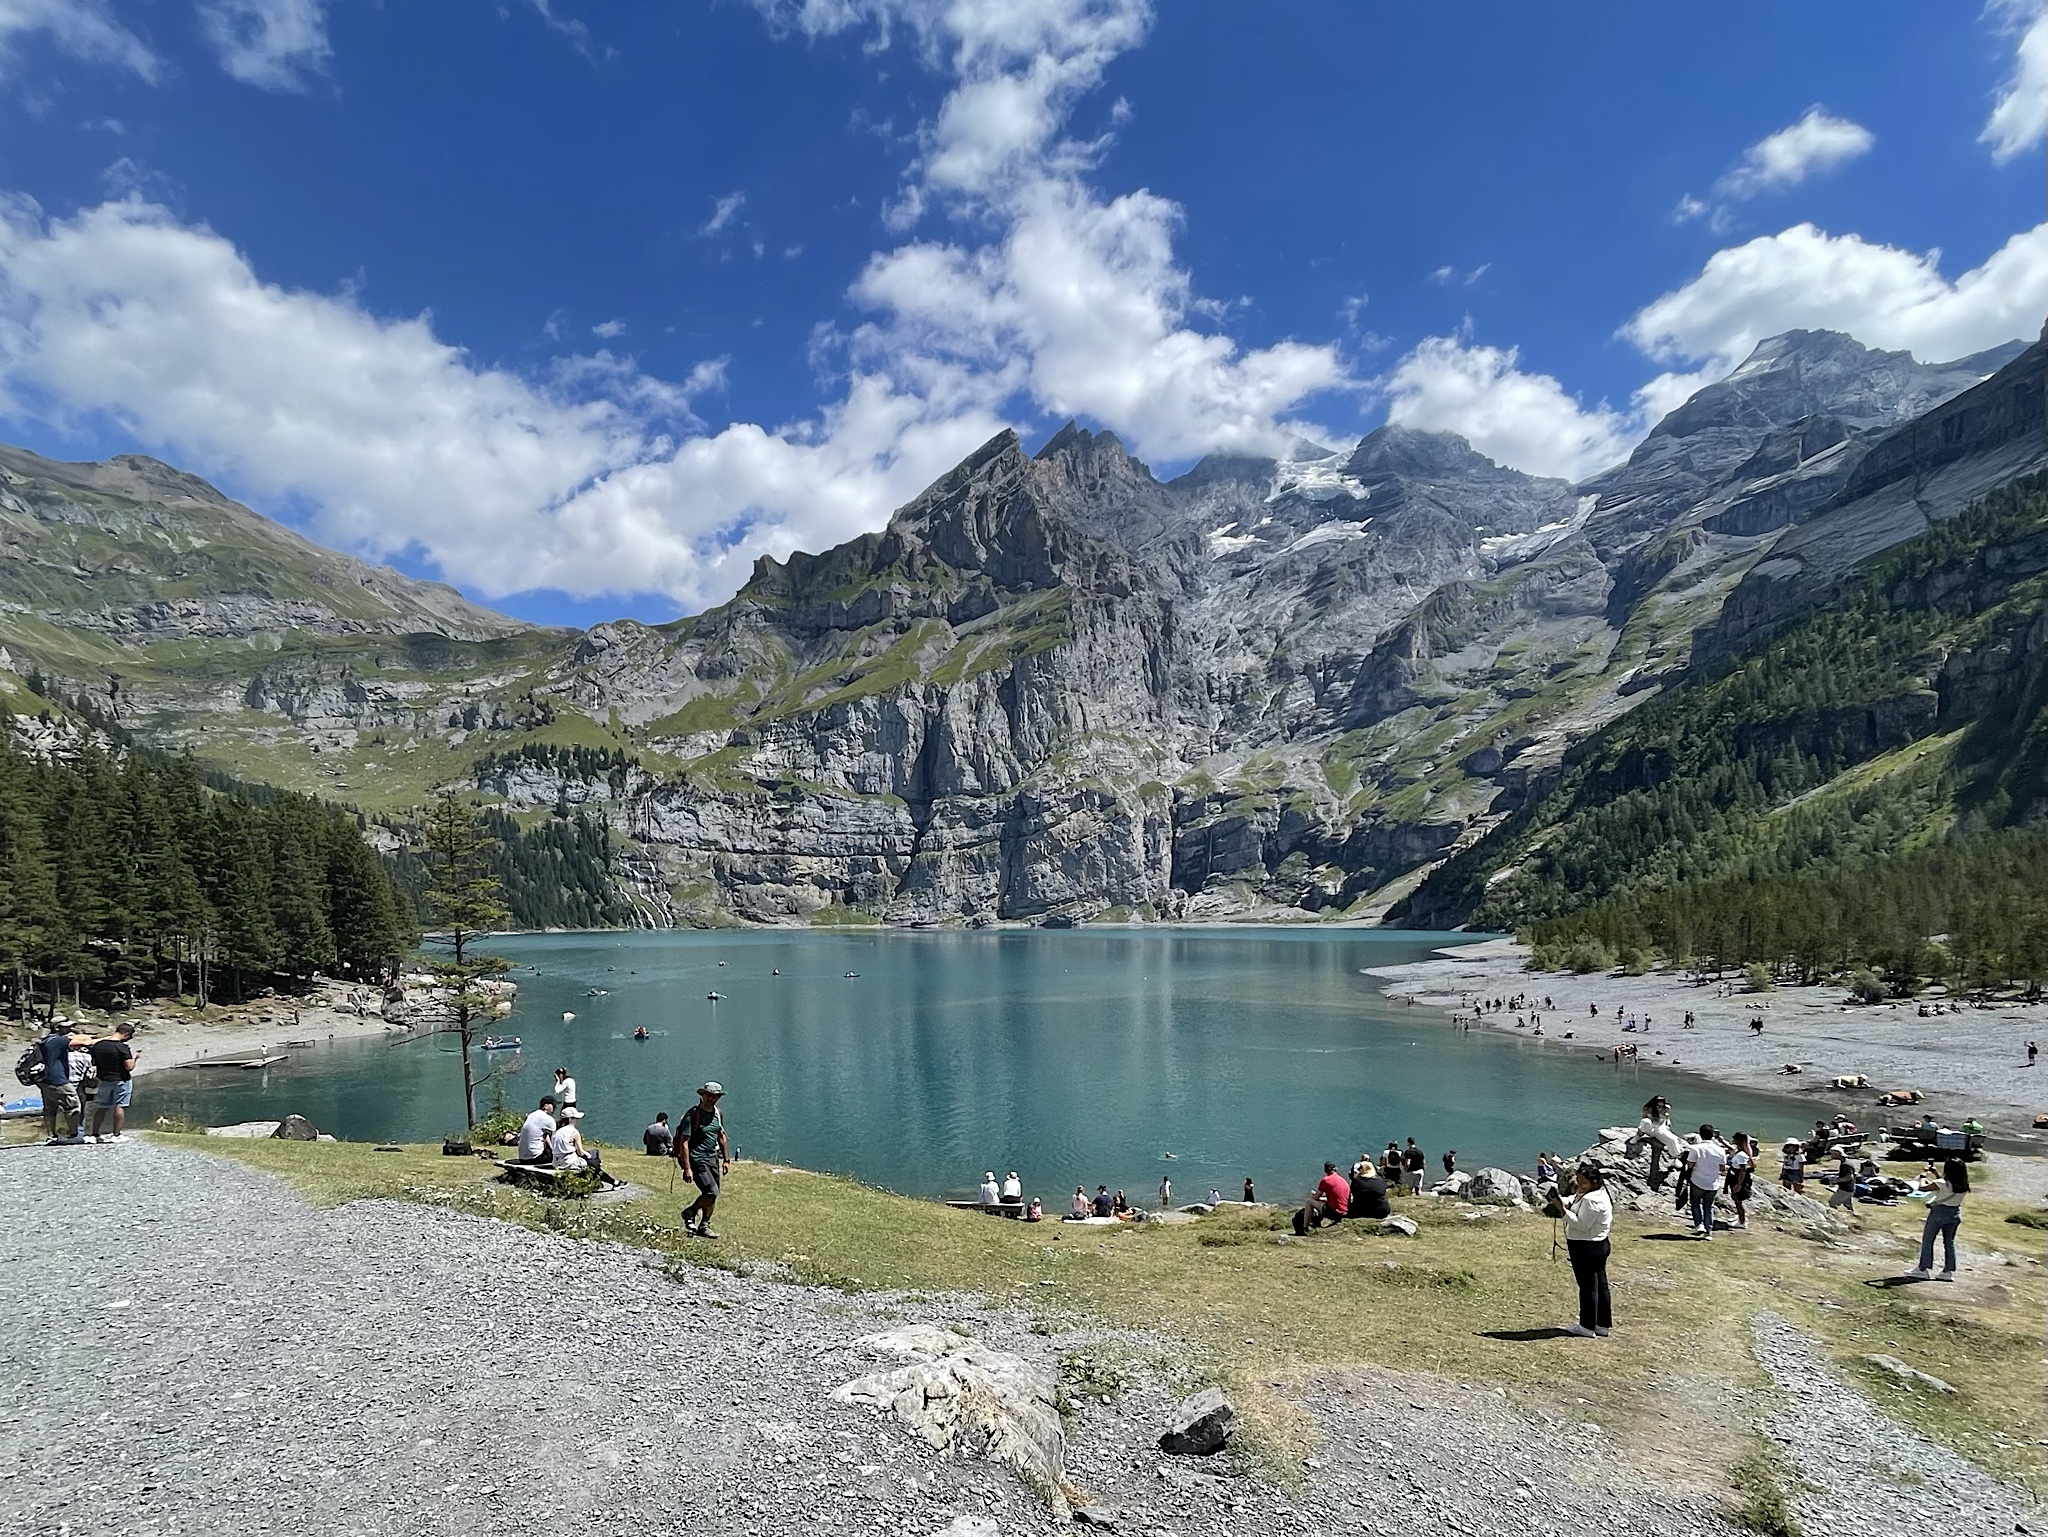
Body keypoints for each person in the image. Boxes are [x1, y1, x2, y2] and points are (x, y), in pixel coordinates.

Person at [1558, 1162, 1615, 1338]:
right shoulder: (1596, 1193)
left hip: (1586, 1246)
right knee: (1601, 1286)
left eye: (1582, 1181)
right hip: (1599, 1244)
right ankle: (1602, 1324)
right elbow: (1575, 1201)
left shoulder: (1592, 1200)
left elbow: (1581, 1225)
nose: (1579, 1184)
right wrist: (1562, 1201)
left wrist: (1561, 1211)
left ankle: (1586, 1326)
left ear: (1593, 1181)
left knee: (1588, 1287)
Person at [677, 1082, 731, 1238]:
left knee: (714, 1194)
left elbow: (721, 1136)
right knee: (711, 1191)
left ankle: (704, 1226)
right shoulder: (692, 1115)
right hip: (697, 1159)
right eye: (709, 1095)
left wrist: (726, 1159)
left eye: (715, 1096)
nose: (711, 1098)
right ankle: (690, 1212)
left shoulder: (717, 1113)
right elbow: (684, 1143)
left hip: (712, 1158)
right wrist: (687, 1168)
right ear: (703, 1095)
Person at [1905, 1159, 1969, 1280]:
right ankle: (1948, 1271)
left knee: (1928, 1241)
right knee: (1949, 1243)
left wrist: (1923, 1175)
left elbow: (1922, 1188)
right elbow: (1946, 1187)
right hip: (1955, 1213)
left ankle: (1923, 1269)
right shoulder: (1962, 1184)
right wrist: (1935, 1175)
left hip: (1939, 1212)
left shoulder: (1941, 1183)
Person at [86, 1025, 139, 1143]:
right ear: (126, 1034)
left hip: (104, 1079)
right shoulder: (122, 1047)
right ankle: (116, 1134)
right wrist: (134, 1057)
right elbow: (129, 1067)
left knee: (102, 1106)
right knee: (119, 1105)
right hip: (121, 1079)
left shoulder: (99, 1045)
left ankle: (94, 1134)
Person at [38, 1023, 88, 1144]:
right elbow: (84, 1043)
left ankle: (52, 1135)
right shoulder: (59, 1040)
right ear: (57, 1027)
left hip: (45, 1079)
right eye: (66, 1027)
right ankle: (73, 1134)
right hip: (58, 1079)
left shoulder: (46, 1040)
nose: (70, 1028)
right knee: (73, 1104)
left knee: (50, 1108)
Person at [1684, 1125, 1728, 1239]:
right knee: (1708, 1207)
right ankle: (1709, 1231)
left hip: (1697, 1179)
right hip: (1713, 1182)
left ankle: (1699, 1225)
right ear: (1713, 1135)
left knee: (1695, 1203)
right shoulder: (1720, 1150)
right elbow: (1722, 1168)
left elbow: (1690, 1164)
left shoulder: (1696, 1148)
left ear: (1700, 1135)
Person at [1293, 1161, 1352, 1234]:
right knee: (1321, 1202)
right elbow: (1336, 1197)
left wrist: (1315, 1195)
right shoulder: (1342, 1180)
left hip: (1335, 1212)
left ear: (1325, 1170)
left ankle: (1305, 1227)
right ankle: (1316, 1224)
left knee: (1309, 1202)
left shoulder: (1326, 1180)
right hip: (1345, 1211)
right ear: (1335, 1169)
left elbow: (1315, 1197)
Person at [550, 1107, 602, 1179]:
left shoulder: (556, 1132)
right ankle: (598, 1176)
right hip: (569, 1163)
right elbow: (580, 1152)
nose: (577, 1121)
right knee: (594, 1154)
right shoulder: (574, 1132)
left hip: (556, 1163)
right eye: (575, 1118)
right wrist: (589, 1155)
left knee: (591, 1156)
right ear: (570, 1119)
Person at [1725, 1133, 1754, 1229]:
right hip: (1734, 1177)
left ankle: (1742, 1221)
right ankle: (1740, 1217)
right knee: (1735, 1199)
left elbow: (1743, 1170)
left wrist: (1738, 1184)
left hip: (1738, 1179)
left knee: (1737, 1199)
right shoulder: (1739, 1152)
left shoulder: (1741, 1155)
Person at [516, 1096, 558, 1163]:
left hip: (522, 1158)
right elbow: (554, 1140)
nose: (555, 1107)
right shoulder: (548, 1119)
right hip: (536, 1158)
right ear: (546, 1106)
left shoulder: (531, 1115)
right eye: (553, 1105)